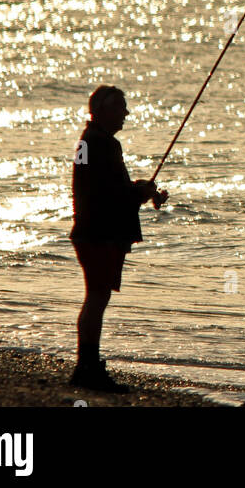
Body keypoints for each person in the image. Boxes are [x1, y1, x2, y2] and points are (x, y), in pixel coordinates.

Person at [69, 85, 168, 392]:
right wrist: (140, 192)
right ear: (101, 111)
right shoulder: (101, 144)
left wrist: (140, 190)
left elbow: (104, 189)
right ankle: (87, 368)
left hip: (91, 231)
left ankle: (87, 366)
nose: (126, 113)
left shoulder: (91, 142)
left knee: (96, 297)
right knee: (97, 298)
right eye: (120, 107)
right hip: (99, 234)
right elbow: (110, 195)